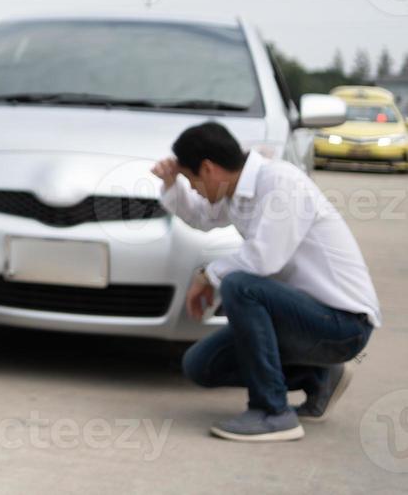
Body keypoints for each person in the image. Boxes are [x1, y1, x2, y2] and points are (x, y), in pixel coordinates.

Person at [152, 121, 382, 442]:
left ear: (208, 168)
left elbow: (264, 259)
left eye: (191, 180)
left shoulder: (280, 183)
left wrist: (206, 275)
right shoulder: (236, 190)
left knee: (240, 285)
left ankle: (273, 412)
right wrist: (171, 183)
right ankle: (318, 377)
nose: (193, 189)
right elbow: (201, 218)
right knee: (200, 365)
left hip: (343, 325)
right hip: (303, 319)